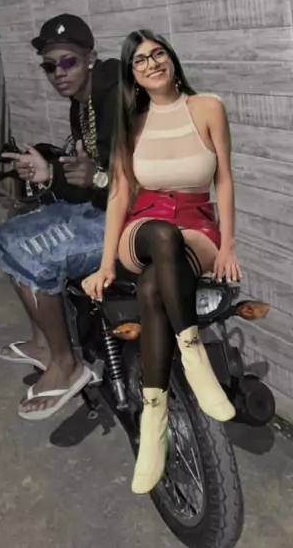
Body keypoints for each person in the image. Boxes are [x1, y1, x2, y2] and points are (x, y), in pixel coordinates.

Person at [82, 29, 241, 494]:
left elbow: (225, 179)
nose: (151, 63)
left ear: (171, 58)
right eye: (140, 60)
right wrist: (106, 263)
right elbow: (119, 194)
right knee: (161, 235)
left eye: (158, 54)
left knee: (154, 286)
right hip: (145, 227)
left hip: (198, 226)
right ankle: (193, 354)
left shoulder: (207, 107)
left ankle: (153, 418)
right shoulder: (131, 124)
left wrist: (228, 245)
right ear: (132, 74)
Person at [0, 14, 118, 421]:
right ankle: (44, 344)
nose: (58, 73)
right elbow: (86, 183)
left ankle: (66, 364)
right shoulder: (82, 106)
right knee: (7, 236)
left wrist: (98, 178)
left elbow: (146, 176)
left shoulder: (122, 99)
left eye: (68, 62)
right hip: (106, 208)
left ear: (90, 58)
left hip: (135, 221)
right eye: (50, 66)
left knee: (30, 254)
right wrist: (49, 175)